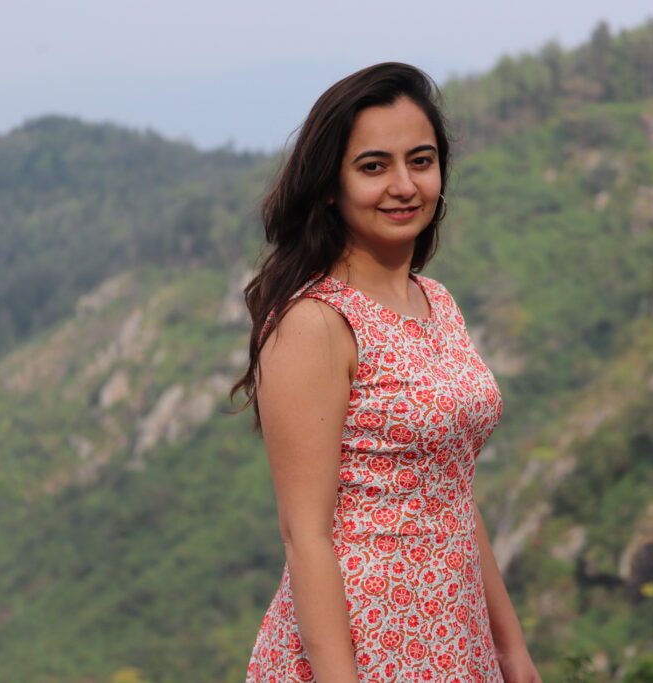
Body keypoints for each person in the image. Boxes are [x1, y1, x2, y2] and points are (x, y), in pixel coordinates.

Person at [231, 62, 541, 682]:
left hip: (455, 636)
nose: (403, 185)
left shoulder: (437, 302)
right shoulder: (316, 322)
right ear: (330, 185)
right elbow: (306, 536)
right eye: (373, 167)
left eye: (420, 161)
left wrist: (511, 652)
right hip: (365, 642)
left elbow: (454, 493)